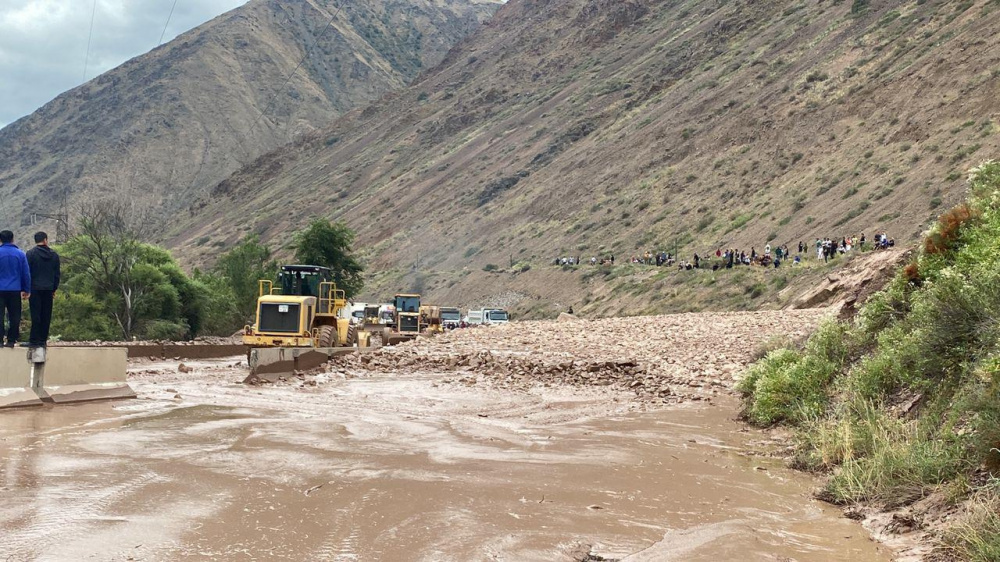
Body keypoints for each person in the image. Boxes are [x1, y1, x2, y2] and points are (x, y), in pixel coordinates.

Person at [26, 231, 60, 348]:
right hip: (49, 288)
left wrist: (26, 288)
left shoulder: (30, 254)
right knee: (46, 314)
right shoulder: (54, 255)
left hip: (34, 288)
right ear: (45, 240)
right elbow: (57, 274)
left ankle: (34, 340)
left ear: (36, 241)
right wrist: (54, 288)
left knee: (36, 315)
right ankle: (42, 340)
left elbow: (27, 273)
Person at [0, 230, 30, 348]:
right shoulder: (20, 254)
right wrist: (26, 289)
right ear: (13, 239)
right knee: (14, 315)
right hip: (14, 289)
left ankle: (0, 340)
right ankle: (11, 340)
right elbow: (25, 274)